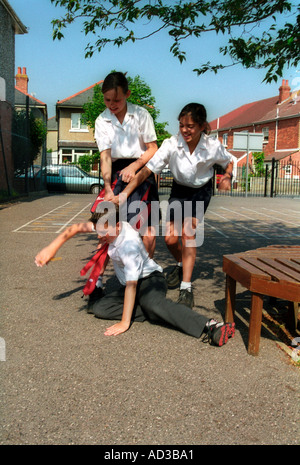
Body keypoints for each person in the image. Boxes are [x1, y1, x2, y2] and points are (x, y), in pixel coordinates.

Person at [34, 207, 235, 346]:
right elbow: (75, 228)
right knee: (99, 308)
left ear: (118, 226)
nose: (98, 236)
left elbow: (131, 287)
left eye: (103, 232)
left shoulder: (128, 246)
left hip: (151, 280)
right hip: (132, 285)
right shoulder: (107, 224)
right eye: (97, 231)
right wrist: (50, 248)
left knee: (153, 303)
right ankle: (156, 310)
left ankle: (211, 326)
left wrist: (124, 323)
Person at [112, 103, 237, 308]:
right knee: (170, 239)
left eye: (190, 126)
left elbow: (228, 161)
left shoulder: (212, 145)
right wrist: (125, 193)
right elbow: (146, 171)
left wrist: (227, 177)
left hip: (200, 191)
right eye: (181, 125)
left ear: (202, 125)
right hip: (179, 190)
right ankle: (181, 265)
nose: (185, 130)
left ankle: (186, 287)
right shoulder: (171, 144)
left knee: (188, 234)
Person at [89, 71, 160, 305]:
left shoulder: (141, 115)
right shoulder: (102, 120)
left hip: (142, 171)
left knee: (146, 232)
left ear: (127, 94)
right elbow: (105, 156)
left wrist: (136, 165)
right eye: (107, 100)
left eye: (116, 100)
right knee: (104, 229)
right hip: (116, 172)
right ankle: (95, 286)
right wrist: (108, 188)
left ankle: (143, 284)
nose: (112, 105)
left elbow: (152, 148)